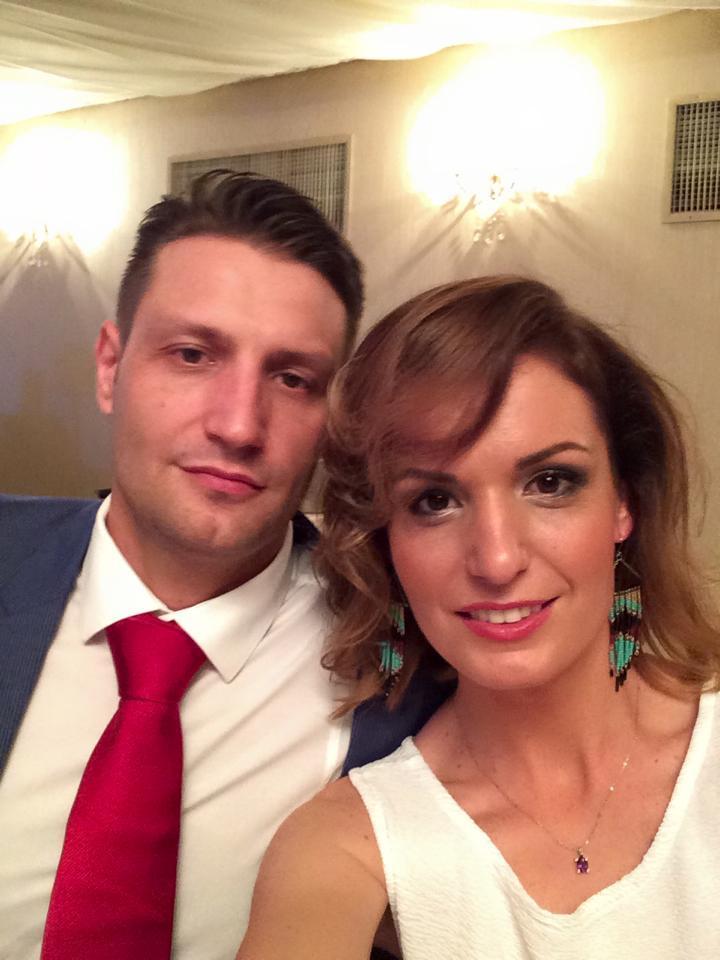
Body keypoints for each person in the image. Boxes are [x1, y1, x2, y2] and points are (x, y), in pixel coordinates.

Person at [0, 170, 433, 960]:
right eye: (194, 354)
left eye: (293, 378)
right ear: (110, 367)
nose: (239, 425)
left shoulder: (410, 639)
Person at [238, 276, 720, 960]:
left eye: (550, 483)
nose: (496, 559)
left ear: (625, 503)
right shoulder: (343, 847)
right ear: (385, 540)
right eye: (434, 501)